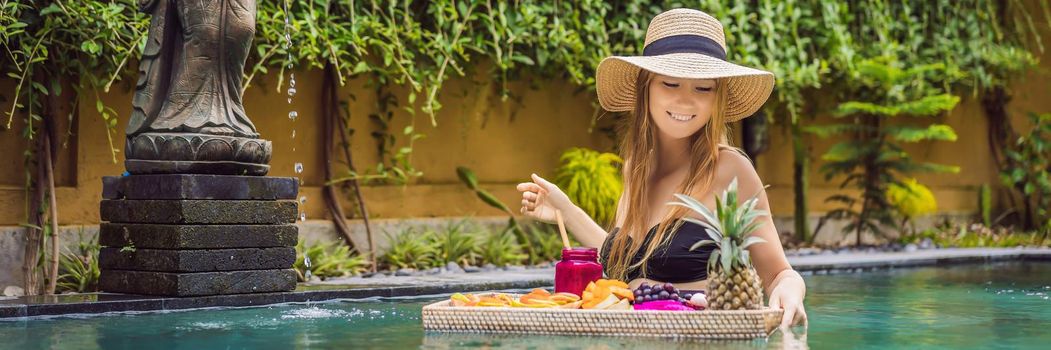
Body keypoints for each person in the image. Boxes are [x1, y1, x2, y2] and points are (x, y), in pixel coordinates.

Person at [516, 8, 807, 328]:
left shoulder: (728, 169)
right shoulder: (637, 169)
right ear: (646, 88)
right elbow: (633, 263)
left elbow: (779, 273)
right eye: (670, 84)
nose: (686, 101)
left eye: (703, 88)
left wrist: (789, 293)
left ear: (717, 98)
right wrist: (565, 210)